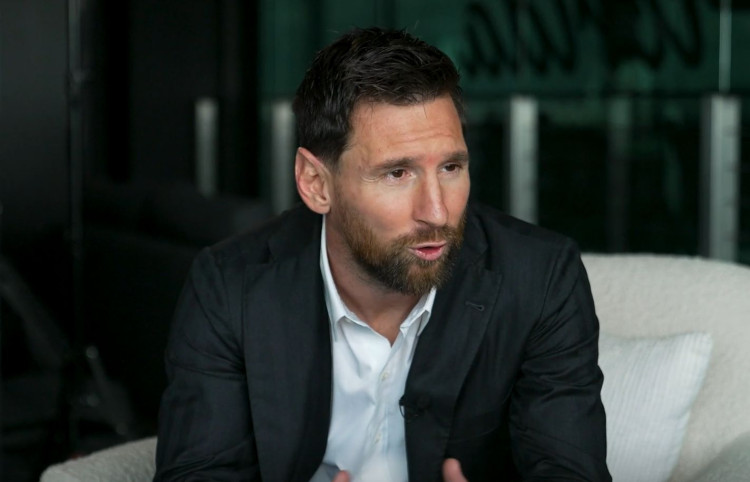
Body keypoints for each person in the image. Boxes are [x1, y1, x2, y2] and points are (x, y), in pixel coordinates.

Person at [154, 27, 610, 481]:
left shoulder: (541, 277)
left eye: (451, 167)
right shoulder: (229, 286)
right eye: (397, 173)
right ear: (316, 183)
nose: (437, 212)